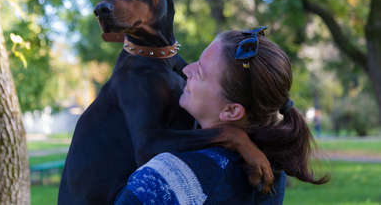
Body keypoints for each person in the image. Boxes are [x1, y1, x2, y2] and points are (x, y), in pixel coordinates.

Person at [114, 27, 329, 204]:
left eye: (200, 73)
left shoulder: (163, 178)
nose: (186, 69)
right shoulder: (270, 171)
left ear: (232, 111)